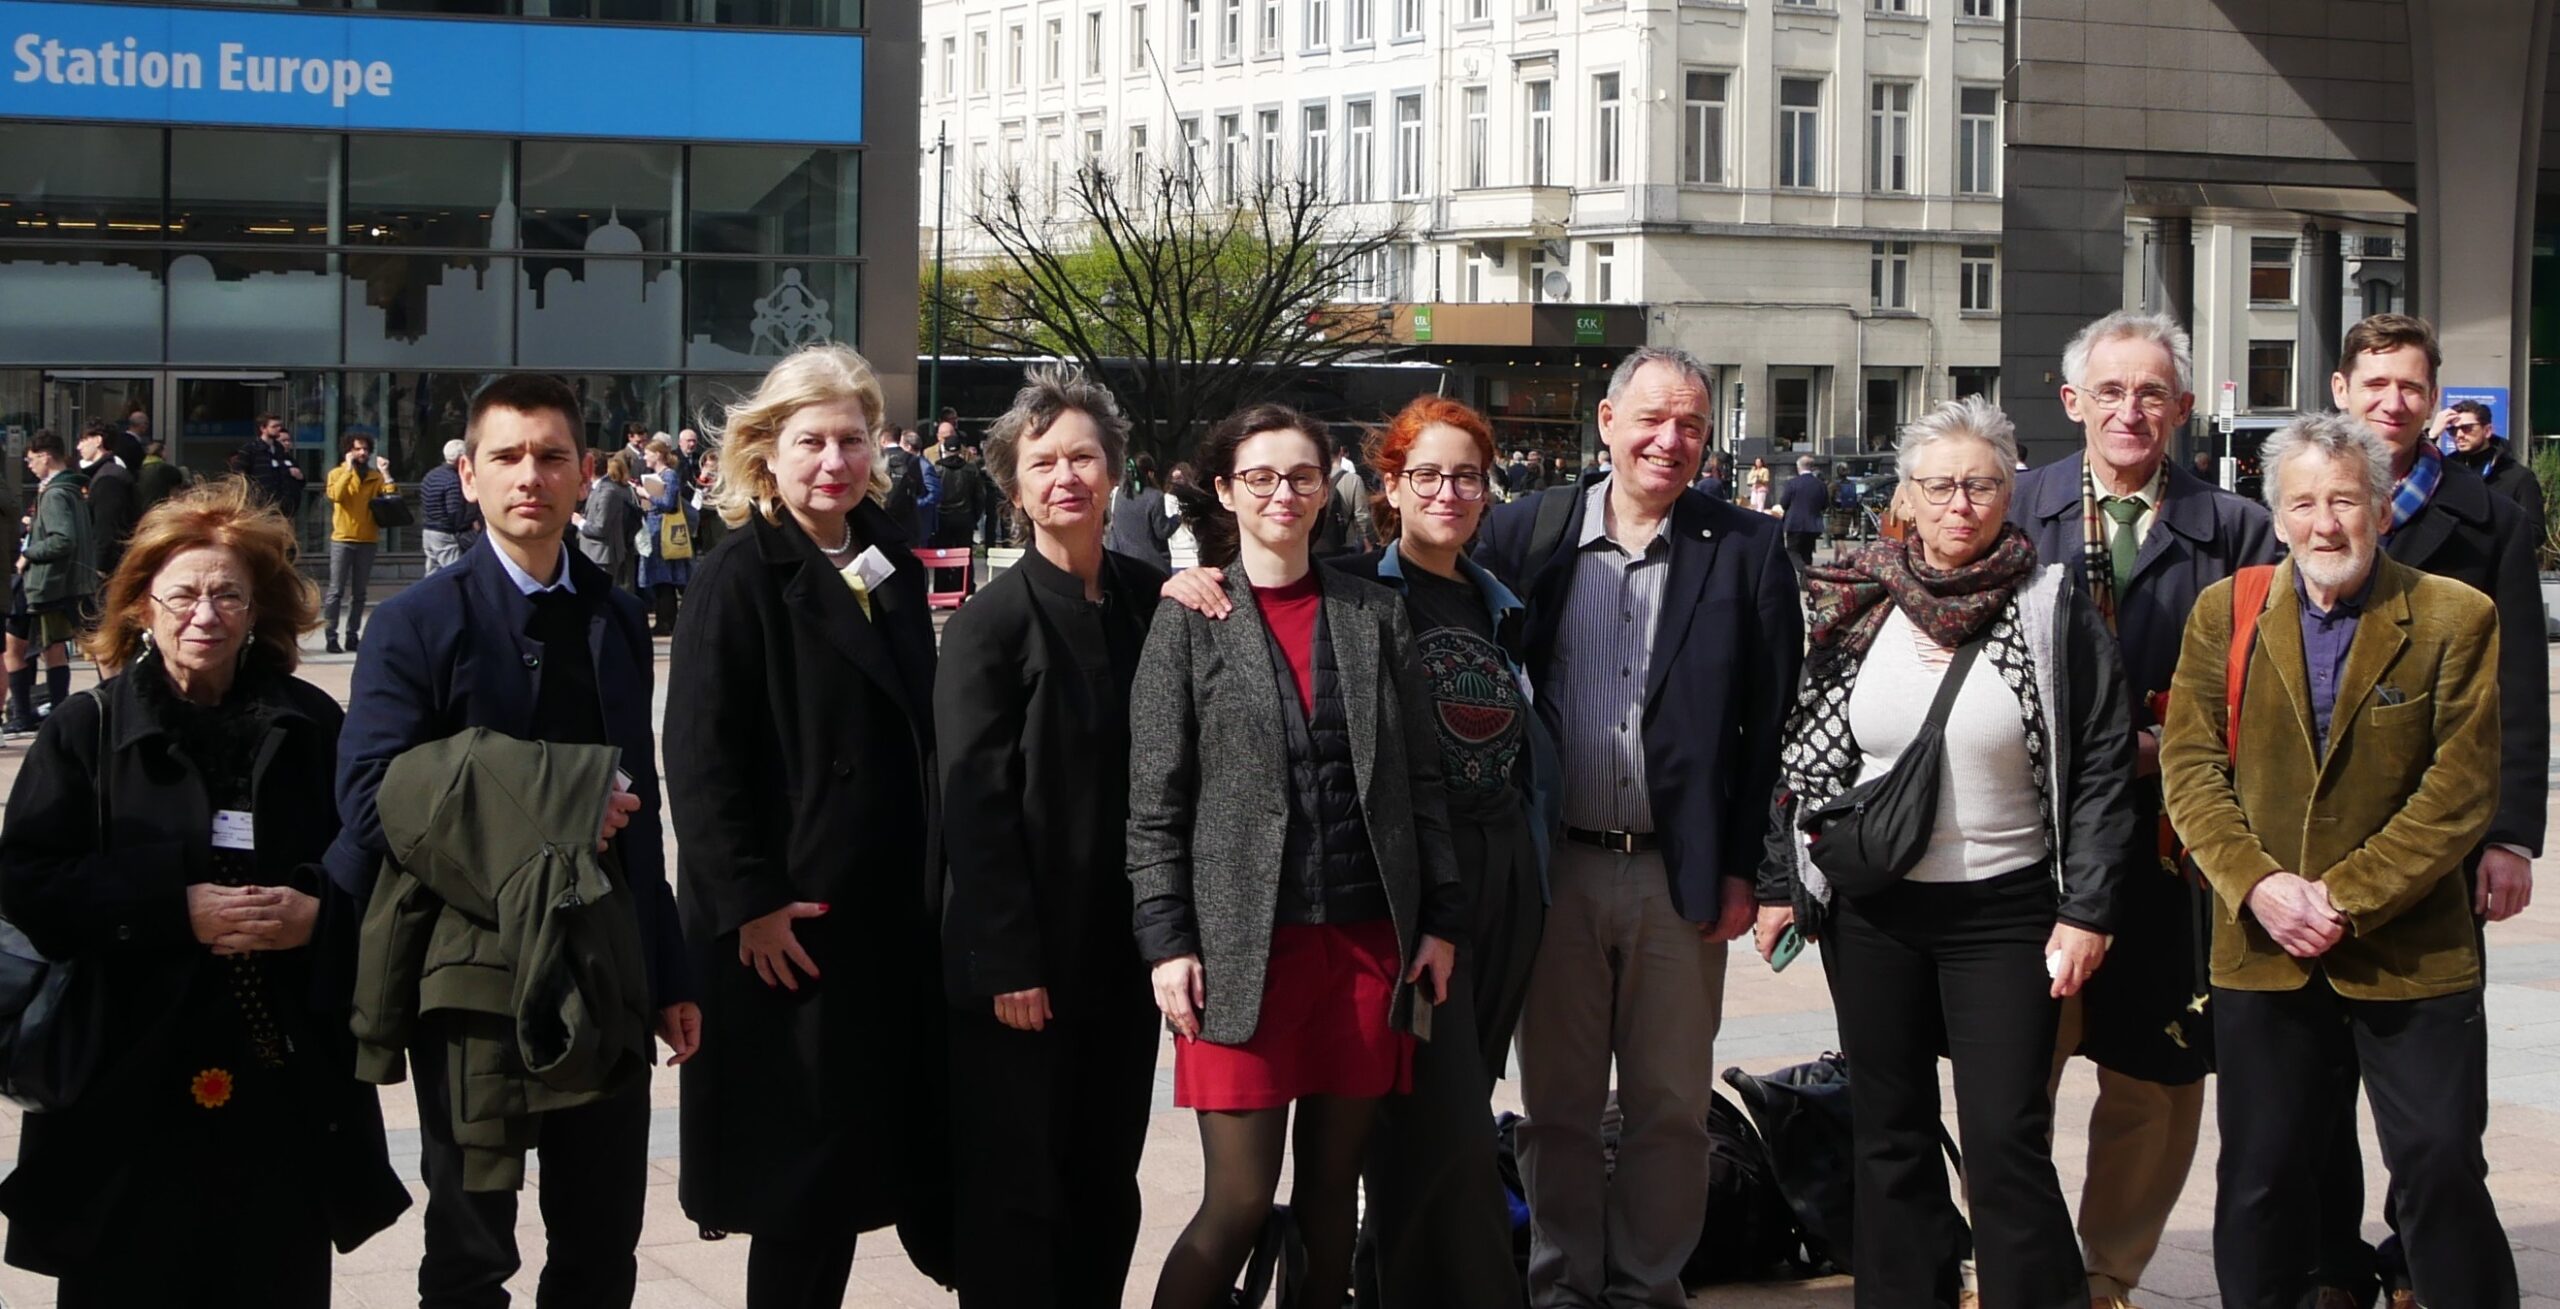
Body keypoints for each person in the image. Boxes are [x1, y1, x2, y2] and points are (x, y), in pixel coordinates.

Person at [330, 373, 698, 1309]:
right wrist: (560, 803)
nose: (528, 475)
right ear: (467, 472)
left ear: (586, 474)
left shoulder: (615, 614)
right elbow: (372, 799)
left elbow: (639, 812)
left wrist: (670, 970)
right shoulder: (417, 622)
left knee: (601, 1239)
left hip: (606, 959)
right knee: (469, 1246)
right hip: (469, 969)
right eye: (506, 456)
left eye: (550, 456)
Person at [1757, 397, 2135, 1309]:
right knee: (1889, 1132)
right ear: (1907, 497)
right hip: (1877, 910)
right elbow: (1801, 753)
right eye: (1941, 485)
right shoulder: (1857, 599)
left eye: (1982, 484)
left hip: (2006, 911)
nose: (1960, 503)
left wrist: (2088, 908)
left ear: (2011, 493)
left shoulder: (2051, 604)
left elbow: (2101, 762)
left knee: (2006, 1138)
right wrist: (1784, 879)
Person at [0, 480, 410, 1304]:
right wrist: (167, 906)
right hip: (126, 1091)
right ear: (143, 606)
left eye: (228, 593)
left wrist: (316, 915)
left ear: (257, 609)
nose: (205, 613)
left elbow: (379, 868)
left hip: (280, 1084)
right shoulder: (88, 729)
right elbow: (28, 886)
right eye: (183, 593)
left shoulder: (309, 725)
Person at [2160, 412, 2517, 1309]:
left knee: (2438, 1165)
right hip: (2263, 950)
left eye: (2346, 501)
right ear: (2276, 516)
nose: (2327, 523)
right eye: (2305, 503)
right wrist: (2260, 886)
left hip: (2412, 955)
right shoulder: (2225, 611)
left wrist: (2344, 897)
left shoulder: (2453, 616)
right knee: (2264, 1179)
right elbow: (2191, 766)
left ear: (2383, 509)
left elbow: (2459, 791)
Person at [1473, 347, 1801, 1309]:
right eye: (1652, 419)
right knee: (1559, 1108)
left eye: (1692, 425)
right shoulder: (1527, 534)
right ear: (1607, 421)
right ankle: (1566, 1283)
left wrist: (1755, 871)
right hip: (1558, 867)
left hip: (1679, 877)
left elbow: (1772, 726)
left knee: (1668, 1105)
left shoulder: (1742, 547)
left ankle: (1647, 1285)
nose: (1671, 440)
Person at [1129, 402, 1463, 1309]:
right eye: (1263, 477)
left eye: (1303, 476)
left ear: (1327, 490)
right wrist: (1167, 940)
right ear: (1228, 490)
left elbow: (1419, 779)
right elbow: (1155, 801)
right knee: (1234, 1202)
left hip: (1362, 946)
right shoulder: (1190, 619)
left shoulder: (1372, 614)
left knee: (1328, 1202)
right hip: (1244, 952)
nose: (1284, 493)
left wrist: (1439, 920)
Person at [663, 344, 950, 1308]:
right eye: (812, 442)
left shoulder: (890, 564)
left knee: (857, 1179)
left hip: (886, 923)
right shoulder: (737, 574)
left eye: (853, 440)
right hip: (794, 933)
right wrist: (749, 904)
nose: (835, 461)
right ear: (766, 453)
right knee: (800, 1194)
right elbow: (699, 766)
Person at [2008, 309, 2277, 1309]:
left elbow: (2267, 692)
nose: (2131, 411)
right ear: (2072, 401)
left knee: (2154, 1083)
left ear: (2183, 409)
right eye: (2110, 392)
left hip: (2171, 851)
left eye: (2151, 392)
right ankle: (2011, 1269)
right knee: (2011, 1076)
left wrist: (2180, 747)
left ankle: (2103, 1277)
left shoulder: (2238, 528)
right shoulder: (2011, 507)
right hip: (2030, 849)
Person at [2309, 312, 2547, 1307]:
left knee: (2437, 1103)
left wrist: (2510, 834)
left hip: (2436, 840)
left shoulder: (2484, 513)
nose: (2390, 402)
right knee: (2310, 1090)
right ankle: (2327, 1266)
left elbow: (2520, 684)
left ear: (2433, 397)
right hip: (2311, 839)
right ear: (2341, 388)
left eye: (2409, 385)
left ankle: (2421, 1259)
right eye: (2374, 383)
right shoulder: (2297, 494)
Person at [934, 366, 1166, 1309]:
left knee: (1106, 1179)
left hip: (1127, 948)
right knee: (1018, 1189)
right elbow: (973, 805)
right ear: (1015, 484)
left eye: (1083, 456)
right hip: (1024, 963)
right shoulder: (988, 626)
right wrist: (1006, 956)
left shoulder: (1156, 601)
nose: (1065, 474)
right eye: (1043, 461)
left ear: (1115, 472)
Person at [13, 429, 91, 732]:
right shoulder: (70, 490)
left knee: (39, 648)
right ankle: (49, 711)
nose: (29, 465)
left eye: (32, 459)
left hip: (49, 582)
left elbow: (63, 540)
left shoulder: (56, 493)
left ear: (46, 456)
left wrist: (29, 552)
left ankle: (35, 714)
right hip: (61, 582)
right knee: (50, 647)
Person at [321, 433, 392, 654]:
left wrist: (386, 474)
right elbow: (336, 496)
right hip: (343, 539)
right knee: (335, 591)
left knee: (360, 593)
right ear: (349, 451)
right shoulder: (336, 474)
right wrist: (348, 471)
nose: (362, 453)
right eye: (358, 449)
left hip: (368, 540)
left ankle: (353, 636)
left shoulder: (374, 477)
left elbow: (392, 499)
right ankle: (331, 636)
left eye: (365, 449)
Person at [2440, 399, 2544, 524]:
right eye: (2453, 430)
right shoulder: (2447, 471)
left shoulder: (2519, 477)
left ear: (2487, 430)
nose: (2459, 435)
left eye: (2467, 428)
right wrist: (2431, 435)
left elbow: (2534, 530)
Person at [638, 436, 693, 636]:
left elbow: (668, 502)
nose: (644, 457)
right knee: (660, 580)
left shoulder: (668, 475)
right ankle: (665, 620)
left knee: (665, 579)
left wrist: (646, 494)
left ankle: (666, 621)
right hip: (654, 528)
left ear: (657, 454)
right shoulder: (654, 474)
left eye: (647, 453)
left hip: (665, 530)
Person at [77, 420, 139, 585]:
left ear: (98, 441)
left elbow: (107, 529)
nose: (78, 447)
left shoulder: (108, 478)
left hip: (108, 571)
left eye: (83, 440)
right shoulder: (105, 474)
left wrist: (99, 567)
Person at [579, 448, 641, 597]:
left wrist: (580, 523)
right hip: (592, 554)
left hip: (603, 556)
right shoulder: (595, 488)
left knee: (604, 600)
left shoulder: (607, 491)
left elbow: (601, 528)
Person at [418, 438, 482, 577]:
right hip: (444, 533)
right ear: (461, 459)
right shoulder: (453, 480)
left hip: (428, 531)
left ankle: (432, 598)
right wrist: (465, 525)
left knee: (433, 574)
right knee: (457, 573)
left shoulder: (431, 475)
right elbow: (454, 511)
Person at [1108, 453, 1180, 571]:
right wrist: (1176, 518)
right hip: (1154, 566)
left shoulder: (1119, 496)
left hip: (1126, 564)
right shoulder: (1155, 497)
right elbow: (1162, 531)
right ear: (1150, 473)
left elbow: (1115, 531)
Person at [232, 414, 302, 510]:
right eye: (274, 426)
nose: (278, 429)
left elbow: (293, 477)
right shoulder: (250, 449)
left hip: (283, 505)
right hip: (260, 505)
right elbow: (238, 475)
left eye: (280, 426)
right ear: (263, 428)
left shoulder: (280, 450)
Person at [1778, 454, 1828, 569]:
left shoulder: (1792, 483)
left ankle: (1803, 570)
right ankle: (1805, 583)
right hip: (1813, 524)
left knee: (1791, 551)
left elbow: (1784, 503)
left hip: (1795, 523)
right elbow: (1825, 505)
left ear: (1798, 467)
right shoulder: (1820, 485)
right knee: (1807, 553)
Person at [135, 438, 187, 511]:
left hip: (142, 511)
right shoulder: (166, 469)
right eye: (165, 450)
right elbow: (180, 482)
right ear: (161, 452)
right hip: (160, 509)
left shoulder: (140, 469)